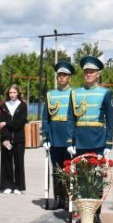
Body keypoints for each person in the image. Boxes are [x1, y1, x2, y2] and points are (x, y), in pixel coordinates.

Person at [71, 56, 113, 223]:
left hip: (97, 141)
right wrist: (71, 142)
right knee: (81, 179)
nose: (88, 74)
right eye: (86, 72)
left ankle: (96, 214)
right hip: (80, 141)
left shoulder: (105, 93)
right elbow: (71, 119)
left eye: (92, 72)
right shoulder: (75, 93)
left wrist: (109, 143)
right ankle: (84, 213)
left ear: (98, 74)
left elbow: (110, 120)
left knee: (96, 179)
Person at [43, 61, 75, 210]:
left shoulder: (74, 93)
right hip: (55, 137)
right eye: (59, 75)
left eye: (64, 75)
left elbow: (75, 118)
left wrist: (74, 139)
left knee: (68, 170)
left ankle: (68, 199)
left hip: (68, 138)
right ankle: (58, 198)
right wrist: (46, 137)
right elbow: (46, 118)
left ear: (69, 77)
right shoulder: (50, 94)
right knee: (56, 170)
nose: (61, 78)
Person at [0, 84, 28, 195]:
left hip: (19, 139)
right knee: (7, 162)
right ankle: (7, 185)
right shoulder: (4, 106)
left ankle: (18, 186)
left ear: (18, 93)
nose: (12, 95)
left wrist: (7, 123)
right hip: (7, 139)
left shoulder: (23, 105)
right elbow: (1, 124)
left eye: (14, 92)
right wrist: (5, 138)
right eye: (10, 93)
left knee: (19, 162)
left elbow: (20, 122)